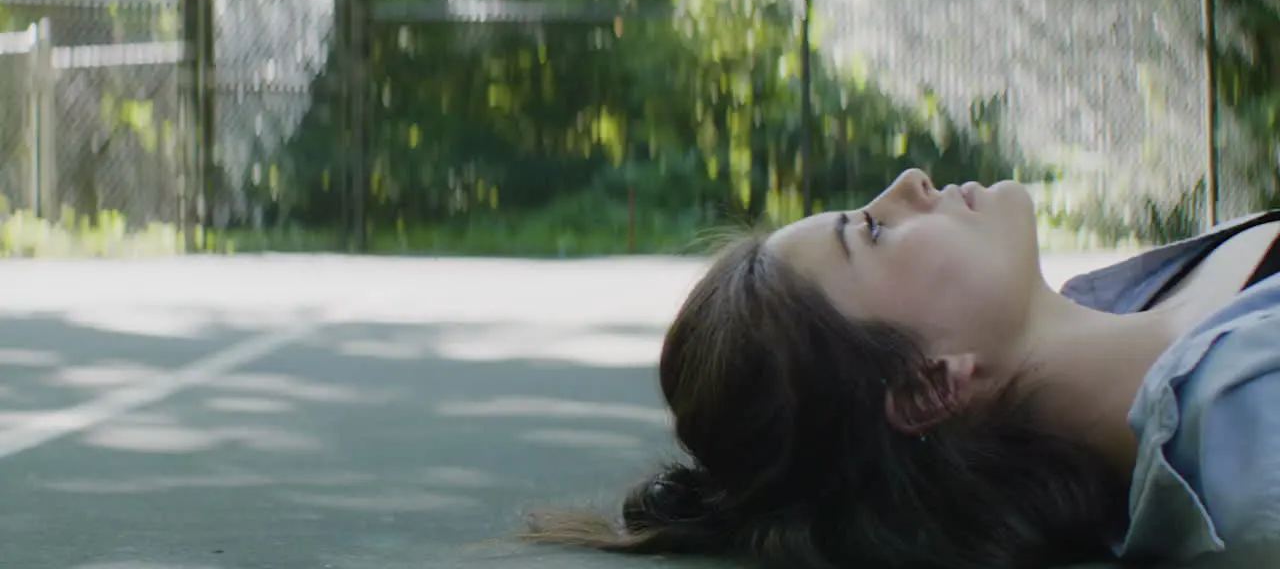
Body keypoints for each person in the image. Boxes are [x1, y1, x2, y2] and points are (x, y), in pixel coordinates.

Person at [520, 168, 1280, 569]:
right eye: (875, 232)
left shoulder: (1129, 296)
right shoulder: (1252, 453)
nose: (910, 183)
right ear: (927, 386)